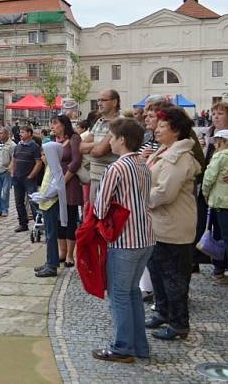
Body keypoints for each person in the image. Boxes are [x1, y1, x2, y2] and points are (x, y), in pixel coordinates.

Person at [89, 117, 154, 364]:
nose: (110, 141)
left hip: (124, 239)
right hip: (146, 236)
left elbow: (100, 206)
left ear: (122, 140)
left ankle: (123, 346)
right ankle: (139, 345)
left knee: (119, 294)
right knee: (132, 293)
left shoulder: (116, 167)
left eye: (113, 137)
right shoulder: (143, 164)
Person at [145, 106, 200, 341]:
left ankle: (179, 324)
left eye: (162, 126)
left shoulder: (178, 157)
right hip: (160, 224)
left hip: (173, 225)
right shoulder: (166, 151)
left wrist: (141, 200)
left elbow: (165, 192)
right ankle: (163, 311)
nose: (157, 130)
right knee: (158, 272)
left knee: (173, 276)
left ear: (176, 131)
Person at [201, 130, 228, 286]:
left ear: (224, 141)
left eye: (217, 141)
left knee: (227, 238)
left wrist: (205, 194)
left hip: (221, 201)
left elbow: (208, 178)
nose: (215, 144)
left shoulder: (221, 156)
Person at [30, 142, 66, 277]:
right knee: (49, 236)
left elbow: (56, 188)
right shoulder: (49, 168)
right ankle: (50, 261)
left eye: (44, 155)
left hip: (51, 204)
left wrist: (44, 196)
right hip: (46, 204)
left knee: (51, 236)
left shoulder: (55, 169)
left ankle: (52, 265)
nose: (42, 157)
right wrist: (39, 195)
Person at [51, 114, 83, 266]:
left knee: (70, 218)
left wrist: (64, 179)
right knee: (58, 219)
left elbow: (76, 161)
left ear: (63, 125)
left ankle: (71, 254)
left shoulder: (74, 138)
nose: (53, 127)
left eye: (55, 124)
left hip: (70, 183)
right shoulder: (54, 140)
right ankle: (62, 251)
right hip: (56, 183)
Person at [82, 90, 121, 206]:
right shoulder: (100, 121)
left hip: (111, 179)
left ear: (114, 102)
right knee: (94, 216)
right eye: (98, 100)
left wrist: (94, 146)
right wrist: (97, 143)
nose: (99, 103)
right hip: (95, 176)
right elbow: (81, 147)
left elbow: (99, 151)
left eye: (103, 100)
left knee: (106, 218)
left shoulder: (120, 122)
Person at [11, 125, 43, 232]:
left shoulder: (35, 147)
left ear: (29, 133)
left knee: (33, 201)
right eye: (20, 132)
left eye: (23, 132)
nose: (20, 134)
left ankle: (38, 223)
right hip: (17, 178)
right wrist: (12, 173)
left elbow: (38, 163)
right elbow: (14, 160)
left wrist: (31, 175)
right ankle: (23, 224)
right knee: (19, 202)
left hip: (29, 179)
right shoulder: (18, 146)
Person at [0, 128, 16, 217]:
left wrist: (10, 168)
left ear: (6, 134)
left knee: (5, 192)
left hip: (5, 171)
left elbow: (14, 158)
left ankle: (5, 209)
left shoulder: (12, 145)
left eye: (1, 133)